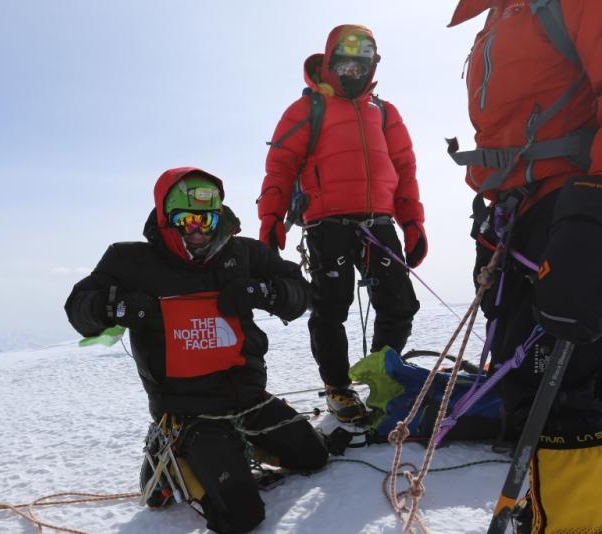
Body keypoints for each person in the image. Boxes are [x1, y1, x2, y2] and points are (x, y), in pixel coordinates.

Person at [65, 167, 329, 533]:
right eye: (186, 219)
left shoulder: (244, 254)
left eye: (206, 219)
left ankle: (239, 446)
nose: (197, 230)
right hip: (187, 412)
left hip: (247, 396)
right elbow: (79, 306)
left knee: (314, 456)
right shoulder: (130, 262)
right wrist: (121, 307)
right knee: (241, 515)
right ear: (165, 218)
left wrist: (263, 293)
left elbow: (300, 292)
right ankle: (169, 456)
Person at [448, 1, 602, 532]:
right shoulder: (500, 12)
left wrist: (591, 216)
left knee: (564, 390)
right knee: (524, 376)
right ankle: (550, 513)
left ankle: (575, 523)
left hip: (572, 202)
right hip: (522, 211)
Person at [257, 25, 426, 423]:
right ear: (331, 62)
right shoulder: (307, 108)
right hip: (326, 223)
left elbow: (405, 169)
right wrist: (271, 218)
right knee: (331, 308)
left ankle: (384, 380)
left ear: (372, 67)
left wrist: (413, 222)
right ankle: (337, 386)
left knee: (399, 304)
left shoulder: (385, 112)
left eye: (361, 65)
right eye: (345, 63)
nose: (353, 72)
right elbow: (279, 166)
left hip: (379, 222)